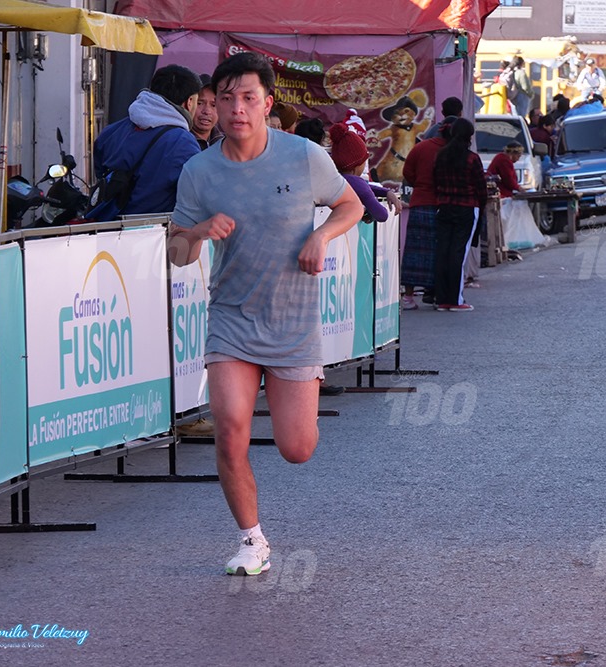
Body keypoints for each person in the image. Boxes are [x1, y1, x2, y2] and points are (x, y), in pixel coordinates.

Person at [166, 52, 363, 576]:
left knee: (297, 448)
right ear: (213, 103)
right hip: (231, 319)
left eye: (248, 98)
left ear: (268, 103)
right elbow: (176, 252)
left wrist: (321, 235)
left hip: (293, 323)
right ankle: (251, 541)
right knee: (230, 428)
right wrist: (197, 232)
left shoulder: (303, 156)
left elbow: (352, 205)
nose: (237, 109)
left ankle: (301, 405)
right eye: (225, 98)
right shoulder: (198, 171)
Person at [87, 65, 201, 221]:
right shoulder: (183, 142)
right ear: (189, 102)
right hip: (154, 230)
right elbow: (195, 195)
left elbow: (100, 172)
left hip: (106, 225)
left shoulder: (112, 131)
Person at [433, 118, 487, 312]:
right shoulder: (472, 158)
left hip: (444, 206)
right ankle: (455, 300)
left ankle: (442, 299)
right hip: (467, 208)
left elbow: (435, 181)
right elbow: (481, 188)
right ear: (469, 136)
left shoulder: (441, 156)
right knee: (459, 252)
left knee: (443, 252)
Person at [400, 118, 447, 310]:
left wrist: (420, 184)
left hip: (419, 202)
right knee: (440, 252)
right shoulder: (450, 150)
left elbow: (407, 173)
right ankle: (436, 294)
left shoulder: (419, 148)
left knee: (414, 252)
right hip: (442, 204)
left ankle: (408, 298)